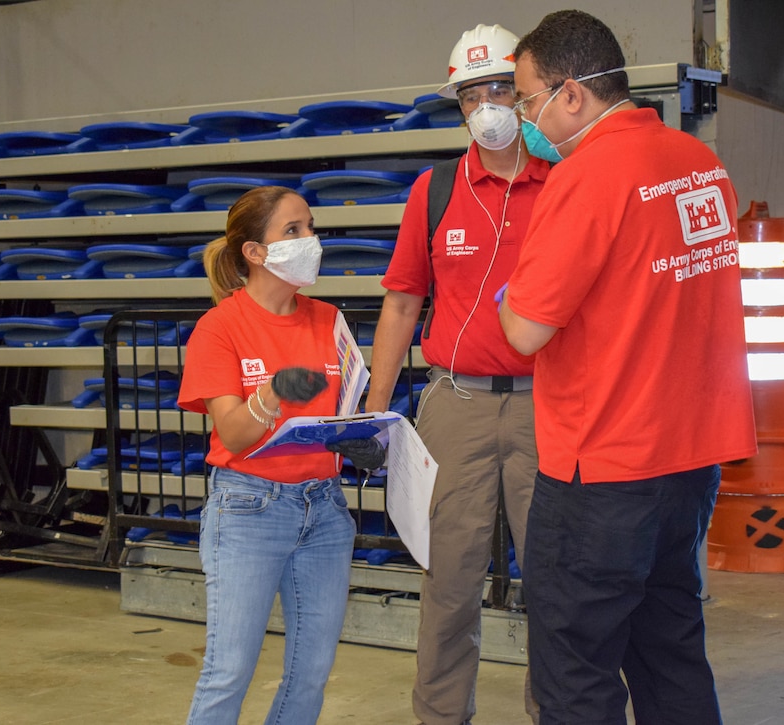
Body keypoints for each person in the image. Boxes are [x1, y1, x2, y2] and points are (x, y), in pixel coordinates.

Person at [498, 10, 758, 725]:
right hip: (690, 457)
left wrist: (507, 295)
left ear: (572, 94)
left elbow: (524, 329)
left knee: (576, 669)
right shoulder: (696, 161)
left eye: (526, 100)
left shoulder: (585, 178)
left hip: (602, 468)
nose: (523, 118)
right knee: (670, 649)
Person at [364, 22, 549, 725]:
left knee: (557, 582)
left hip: (549, 408)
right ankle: (441, 715)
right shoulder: (435, 190)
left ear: (527, 93)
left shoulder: (563, 184)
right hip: (456, 405)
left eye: (501, 88)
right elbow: (403, 300)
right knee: (449, 581)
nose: (488, 105)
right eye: (472, 94)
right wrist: (377, 410)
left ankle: (559, 712)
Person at [179, 186, 383, 725]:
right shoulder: (220, 327)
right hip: (248, 510)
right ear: (254, 252)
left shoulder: (328, 320)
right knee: (230, 669)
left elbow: (340, 411)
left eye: (310, 227)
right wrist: (271, 394)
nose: (309, 240)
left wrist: (361, 441)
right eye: (292, 230)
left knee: (311, 672)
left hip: (324, 509)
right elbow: (234, 432)